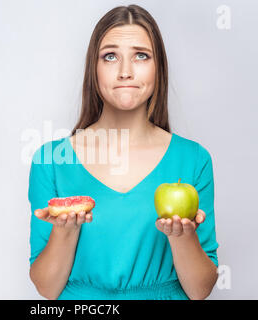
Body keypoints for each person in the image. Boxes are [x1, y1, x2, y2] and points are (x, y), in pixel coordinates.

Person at [28, 4, 219, 300]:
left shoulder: (194, 160)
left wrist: (182, 237)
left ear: (159, 68)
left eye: (141, 56)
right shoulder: (51, 161)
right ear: (94, 67)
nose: (125, 71)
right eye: (110, 56)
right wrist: (65, 231)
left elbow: (199, 290)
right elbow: (46, 287)